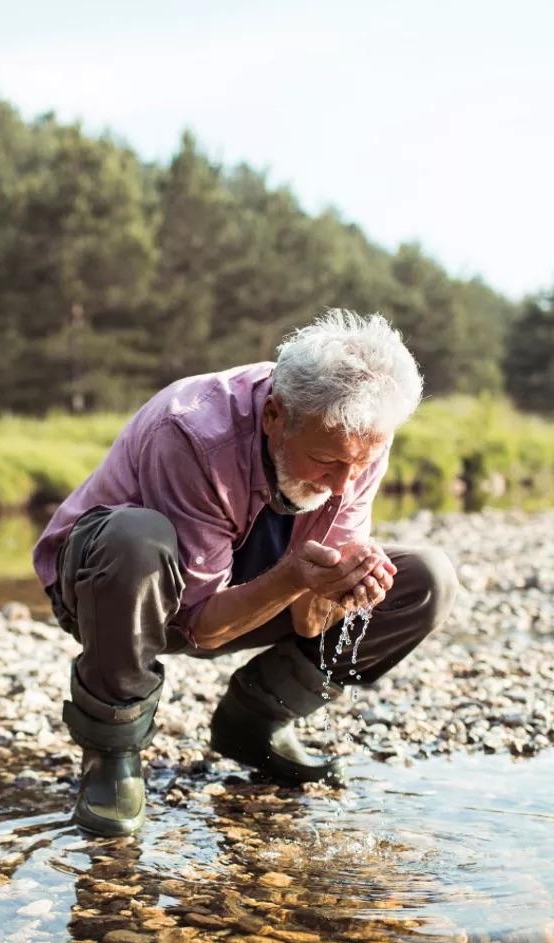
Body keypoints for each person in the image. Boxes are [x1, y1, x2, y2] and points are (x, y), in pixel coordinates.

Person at [33, 309, 459, 836]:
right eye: (327, 461)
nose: (345, 485)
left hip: (239, 583)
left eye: (362, 463)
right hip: (118, 590)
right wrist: (294, 577)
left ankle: (256, 721)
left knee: (425, 580)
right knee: (135, 539)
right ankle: (111, 751)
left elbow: (308, 622)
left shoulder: (361, 431)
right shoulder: (191, 429)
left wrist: (336, 588)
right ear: (275, 417)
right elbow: (198, 626)